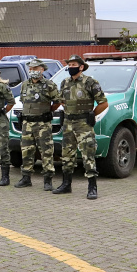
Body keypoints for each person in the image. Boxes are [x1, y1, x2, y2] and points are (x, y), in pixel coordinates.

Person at [54, 55, 108, 200]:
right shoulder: (64, 82)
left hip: (83, 124)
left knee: (88, 155)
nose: (70, 67)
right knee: (67, 155)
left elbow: (103, 103)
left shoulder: (90, 82)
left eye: (73, 64)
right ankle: (66, 184)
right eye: (69, 64)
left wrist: (92, 114)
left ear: (81, 67)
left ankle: (92, 187)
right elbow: (62, 101)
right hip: (68, 124)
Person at [16, 59, 63, 190]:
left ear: (42, 70)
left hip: (42, 124)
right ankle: (26, 178)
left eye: (35, 69)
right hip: (27, 124)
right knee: (26, 151)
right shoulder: (24, 85)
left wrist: (47, 112)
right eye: (30, 69)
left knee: (46, 151)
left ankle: (48, 180)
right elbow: (24, 102)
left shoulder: (49, 85)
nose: (32, 71)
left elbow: (57, 102)